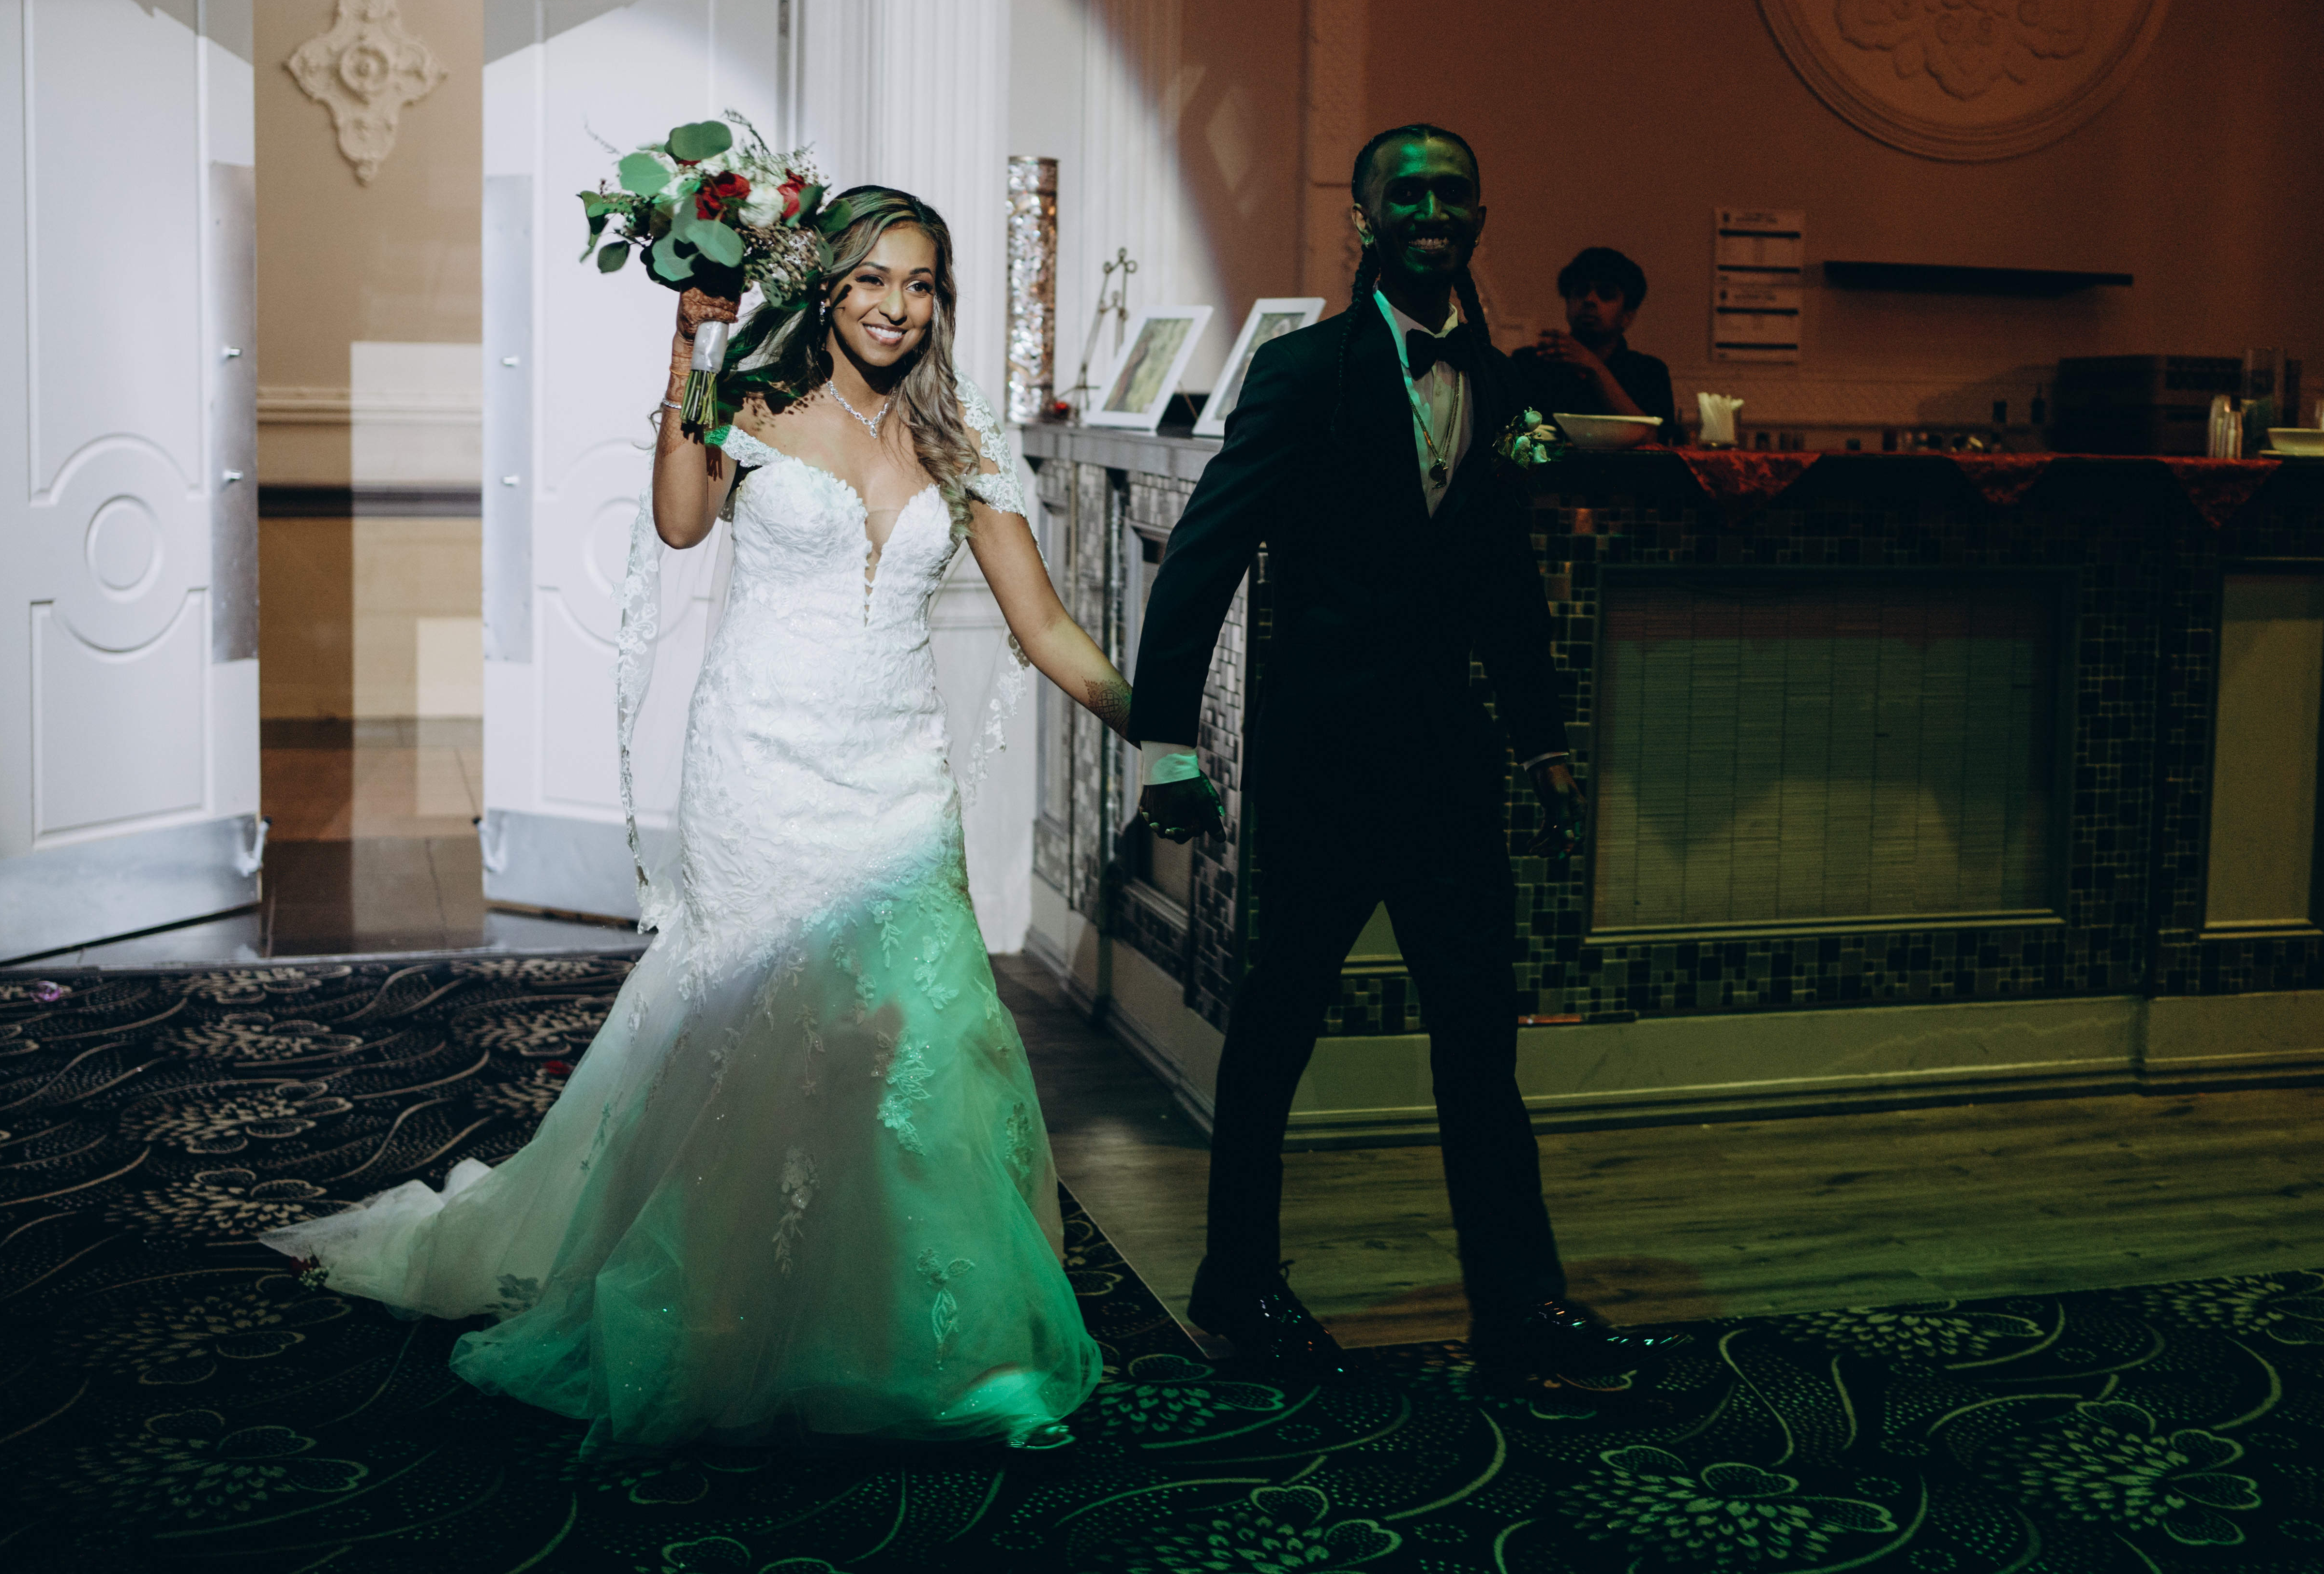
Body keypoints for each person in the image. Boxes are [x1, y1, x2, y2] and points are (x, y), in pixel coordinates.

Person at [264, 188, 1128, 1453]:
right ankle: (719, 1309)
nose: (897, 305)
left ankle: (929, 1329)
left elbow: (1041, 622)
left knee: (915, 1035)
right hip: (758, 765)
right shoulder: (751, 395)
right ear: (823, 284)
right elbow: (679, 521)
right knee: (754, 1024)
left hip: (896, 776)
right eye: (872, 277)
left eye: (922, 283)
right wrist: (691, 343)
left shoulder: (961, 434)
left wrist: (1153, 720)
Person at [1128, 124, 1686, 1391]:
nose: (1433, 210)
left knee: (1480, 1041)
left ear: (1480, 215)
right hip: (1324, 762)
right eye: (1409, 193)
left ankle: (1520, 1306)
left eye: (1453, 193)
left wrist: (1542, 736)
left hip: (1449, 764)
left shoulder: (1494, 378)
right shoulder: (1301, 371)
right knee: (1276, 1027)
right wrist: (1165, 739)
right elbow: (1205, 552)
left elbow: (1501, 576)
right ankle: (1238, 1283)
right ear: (1365, 218)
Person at [1510, 246, 1674, 433]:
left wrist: (1593, 366)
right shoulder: (1530, 363)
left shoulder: (1649, 373)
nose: (1590, 300)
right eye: (1581, 291)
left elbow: (1655, 438)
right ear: (1568, 303)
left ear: (1628, 316)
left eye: (1606, 294)